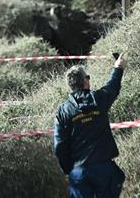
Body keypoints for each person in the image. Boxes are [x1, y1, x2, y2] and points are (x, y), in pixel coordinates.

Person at [53, 53, 127, 198]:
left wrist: (68, 170)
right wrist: (118, 68)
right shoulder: (98, 99)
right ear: (85, 81)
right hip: (103, 168)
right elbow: (112, 86)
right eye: (88, 77)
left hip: (78, 172)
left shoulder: (62, 111)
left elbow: (59, 145)